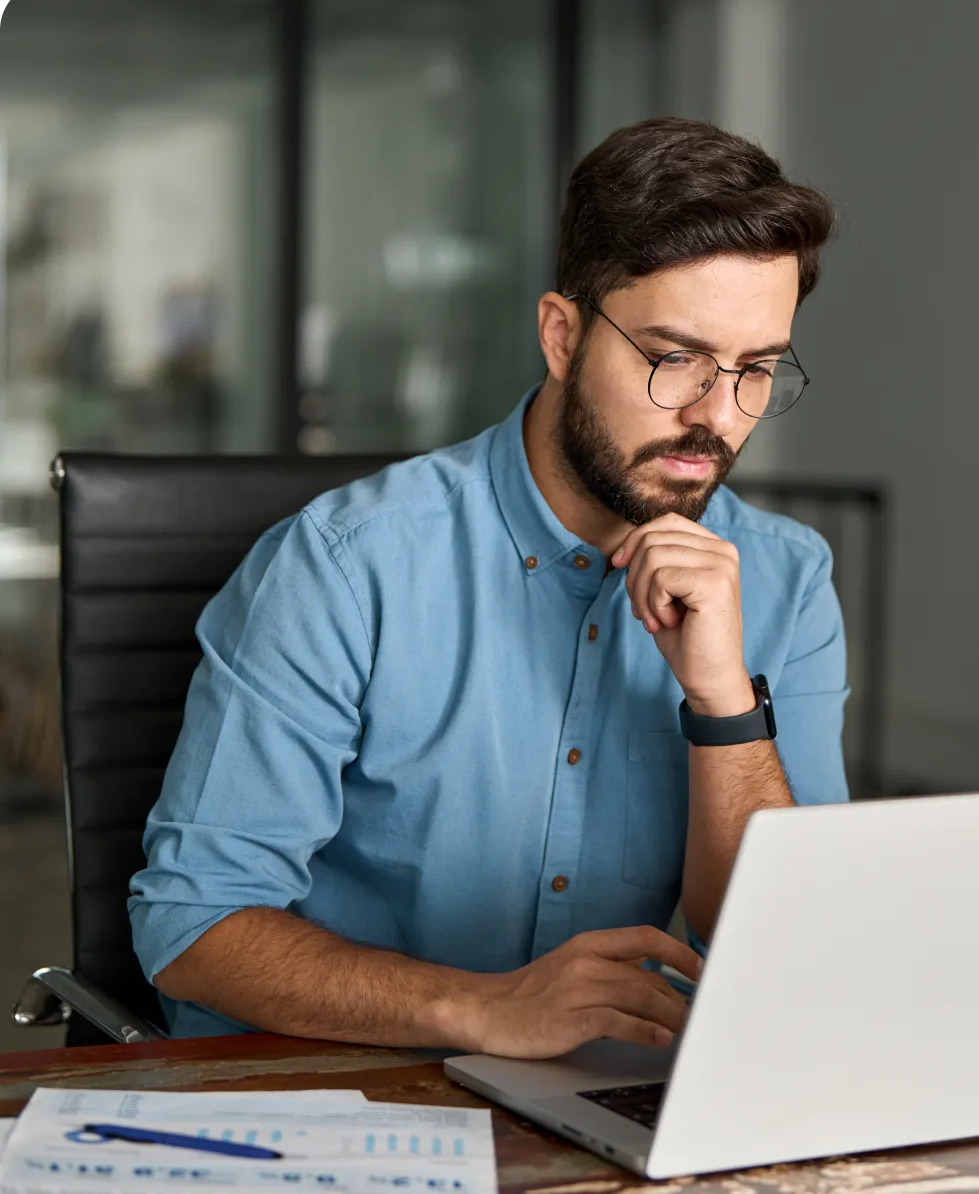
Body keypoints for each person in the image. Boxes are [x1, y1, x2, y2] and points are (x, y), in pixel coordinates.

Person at [128, 117, 847, 1053]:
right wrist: (481, 1008)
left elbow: (788, 946)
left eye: (754, 370)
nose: (716, 417)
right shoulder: (346, 564)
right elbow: (193, 926)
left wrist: (723, 705)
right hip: (340, 1091)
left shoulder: (787, 580)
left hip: (604, 1101)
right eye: (675, 360)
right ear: (561, 335)